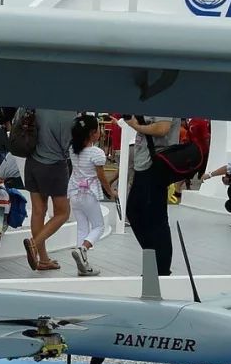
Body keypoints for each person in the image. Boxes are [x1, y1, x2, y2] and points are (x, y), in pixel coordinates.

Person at [19, 107, 78, 270]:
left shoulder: (38, 105)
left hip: (32, 162)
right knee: (63, 213)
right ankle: (34, 244)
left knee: (38, 211)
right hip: (55, 166)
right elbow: (70, 145)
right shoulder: (70, 113)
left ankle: (43, 259)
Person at [124, 116, 179, 276]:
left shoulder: (163, 104)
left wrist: (135, 125)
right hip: (145, 164)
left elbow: (162, 129)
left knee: (155, 219)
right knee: (138, 213)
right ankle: (155, 262)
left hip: (155, 164)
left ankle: (160, 268)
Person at [66, 114, 116, 276]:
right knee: (98, 226)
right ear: (92, 133)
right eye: (98, 129)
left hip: (74, 193)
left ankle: (82, 264)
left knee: (82, 227)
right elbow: (101, 176)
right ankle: (83, 249)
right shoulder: (96, 153)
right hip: (89, 194)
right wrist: (111, 192)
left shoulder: (73, 150)